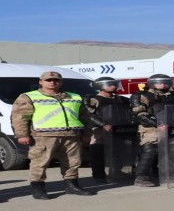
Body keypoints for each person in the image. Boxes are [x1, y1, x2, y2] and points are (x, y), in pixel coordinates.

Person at [11, 71, 94, 199]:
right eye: (48, 80)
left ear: (61, 82)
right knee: (40, 162)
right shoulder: (28, 97)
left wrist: (87, 133)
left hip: (71, 135)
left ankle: (71, 185)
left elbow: (86, 117)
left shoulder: (75, 97)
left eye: (56, 80)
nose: (52, 82)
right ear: (41, 82)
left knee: (73, 162)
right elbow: (20, 117)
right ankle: (38, 188)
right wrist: (22, 135)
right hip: (43, 136)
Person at [130, 74, 174, 187]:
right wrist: (158, 124)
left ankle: (173, 174)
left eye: (166, 82)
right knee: (150, 151)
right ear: (152, 83)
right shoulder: (142, 95)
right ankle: (141, 177)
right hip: (151, 128)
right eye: (160, 82)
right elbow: (139, 115)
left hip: (172, 127)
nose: (163, 84)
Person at [84, 77, 130, 183]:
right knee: (98, 153)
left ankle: (116, 172)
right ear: (100, 86)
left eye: (114, 84)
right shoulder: (94, 99)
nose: (113, 86)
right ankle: (99, 175)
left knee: (118, 152)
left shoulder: (120, 99)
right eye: (110, 84)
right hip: (100, 130)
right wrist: (103, 124)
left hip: (118, 128)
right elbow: (89, 115)